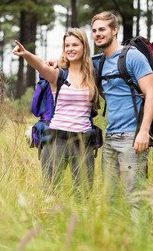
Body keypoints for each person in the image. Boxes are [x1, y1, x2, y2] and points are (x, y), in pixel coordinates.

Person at [13, 28, 99, 197]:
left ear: (84, 47)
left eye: (75, 44)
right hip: (56, 141)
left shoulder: (93, 75)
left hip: (84, 142)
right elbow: (40, 65)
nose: (70, 49)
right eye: (67, 45)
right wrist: (26, 54)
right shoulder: (58, 75)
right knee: (51, 195)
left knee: (84, 196)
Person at [91, 11, 153, 203]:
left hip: (132, 137)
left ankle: (142, 233)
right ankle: (116, 233)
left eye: (102, 29)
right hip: (110, 138)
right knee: (109, 198)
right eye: (94, 30)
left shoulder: (133, 57)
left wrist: (144, 132)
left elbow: (151, 93)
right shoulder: (99, 62)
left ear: (114, 30)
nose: (97, 34)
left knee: (134, 197)